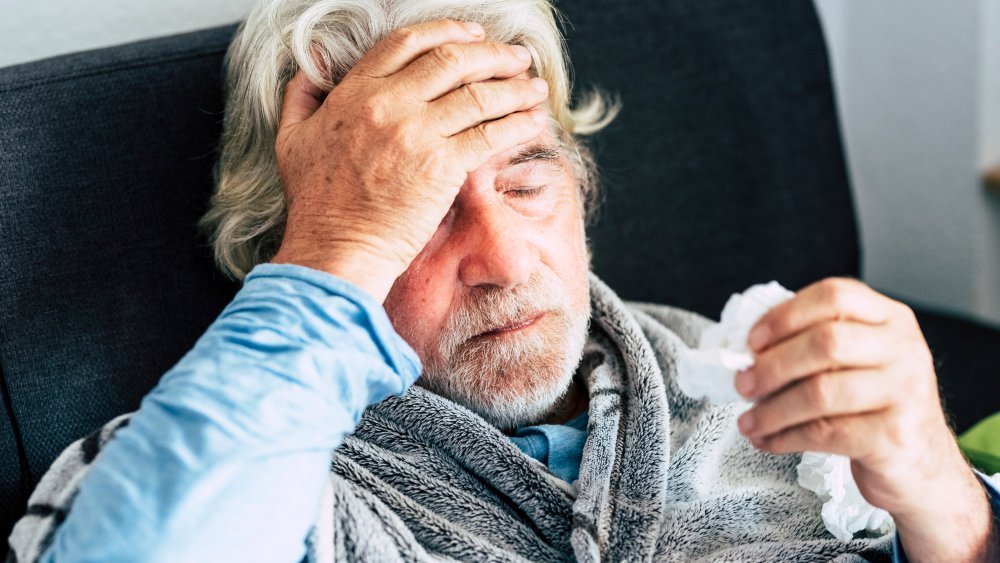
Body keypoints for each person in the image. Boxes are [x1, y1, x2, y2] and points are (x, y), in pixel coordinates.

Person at [8, 0, 999, 561]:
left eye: (525, 176)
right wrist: (334, 255)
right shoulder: (237, 478)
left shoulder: (749, 378)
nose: (505, 260)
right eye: (422, 212)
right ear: (289, 245)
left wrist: (945, 502)